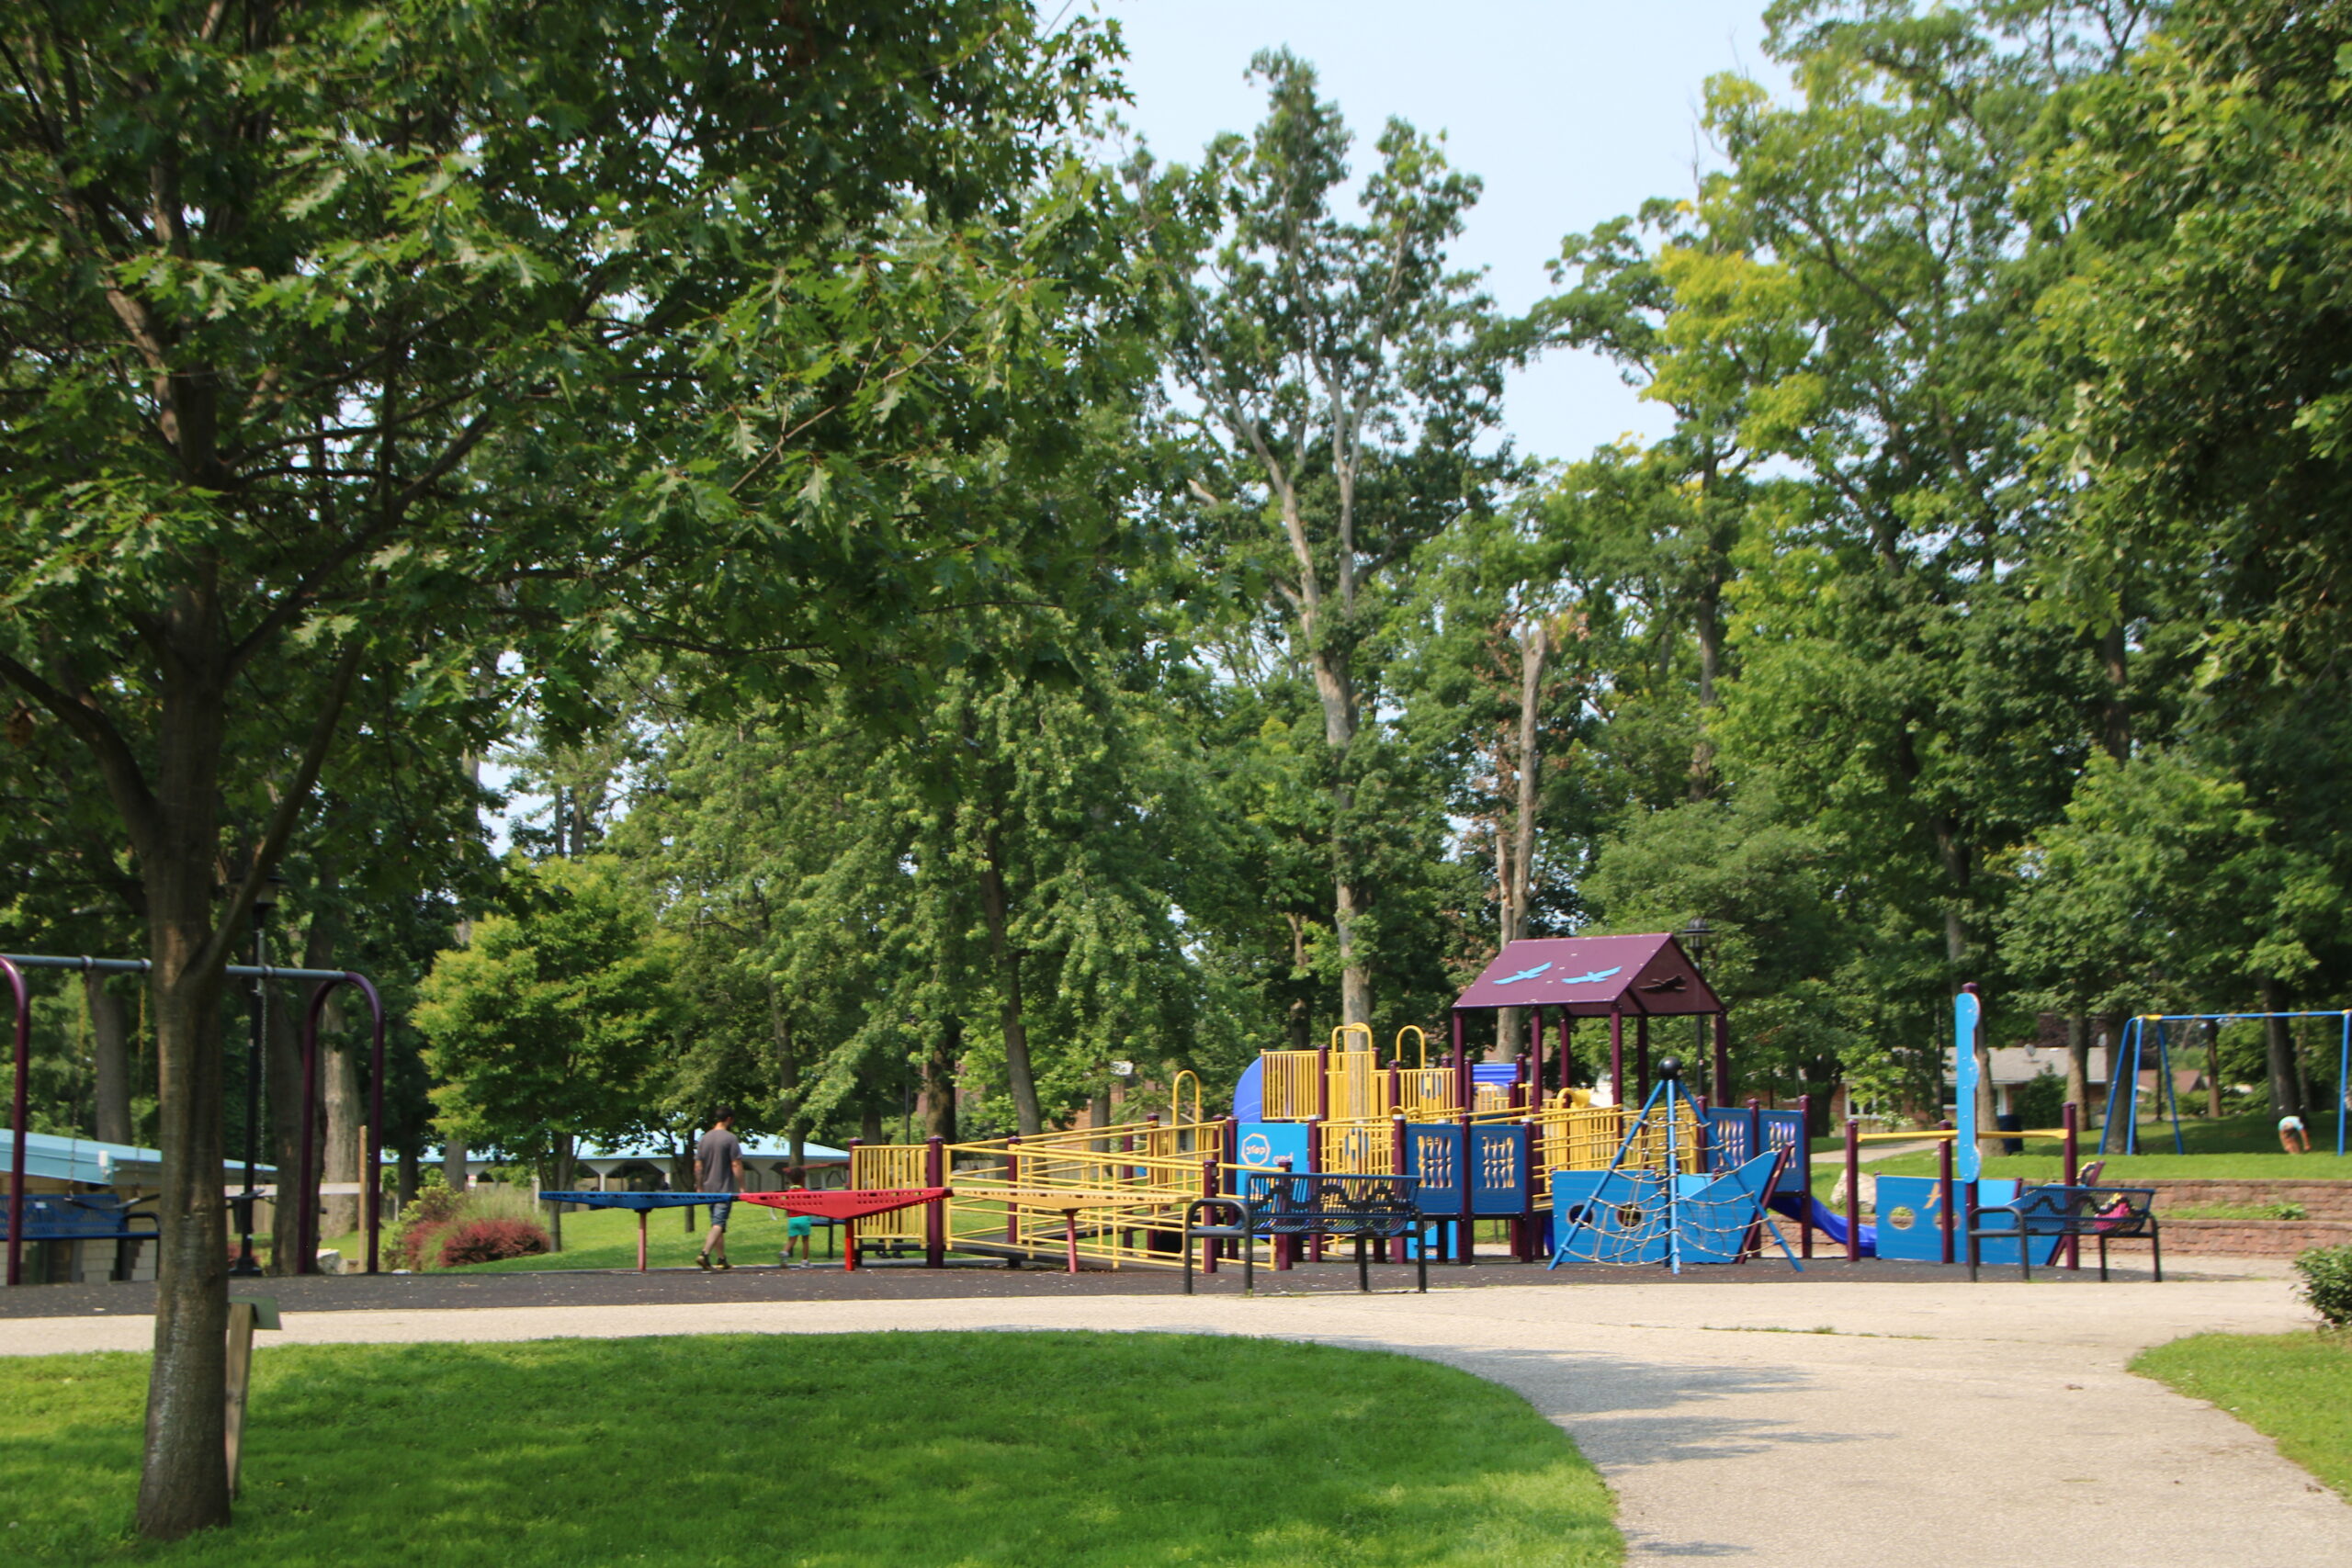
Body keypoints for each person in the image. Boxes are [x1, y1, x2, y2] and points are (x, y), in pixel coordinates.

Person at [695, 1108, 743, 1269]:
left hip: (709, 1188)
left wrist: (700, 1186)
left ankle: (721, 1259)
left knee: (717, 1224)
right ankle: (704, 1253)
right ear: (729, 1119)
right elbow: (736, 1163)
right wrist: (742, 1186)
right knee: (718, 1223)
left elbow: (698, 1166)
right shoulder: (730, 1138)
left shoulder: (704, 1139)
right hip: (724, 1188)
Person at [780, 1183, 815, 1266]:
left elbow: (787, 1206)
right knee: (805, 1240)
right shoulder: (805, 1191)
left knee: (791, 1240)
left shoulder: (789, 1192)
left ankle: (785, 1252)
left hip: (792, 1219)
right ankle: (805, 1260)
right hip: (803, 1218)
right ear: (802, 1179)